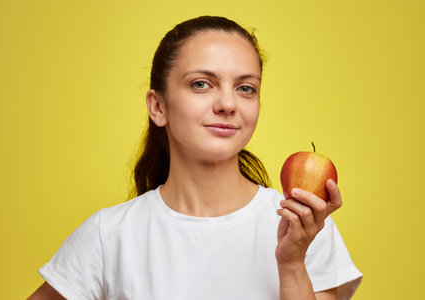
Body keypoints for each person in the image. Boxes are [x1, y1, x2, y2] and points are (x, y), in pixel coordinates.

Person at [28, 16, 362, 300]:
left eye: (246, 88)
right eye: (202, 84)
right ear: (158, 107)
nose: (228, 104)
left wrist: (291, 263)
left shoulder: (304, 229)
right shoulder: (109, 235)